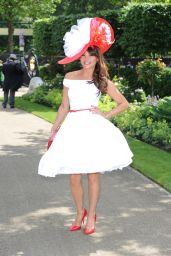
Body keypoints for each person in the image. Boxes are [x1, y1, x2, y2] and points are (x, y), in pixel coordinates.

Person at [38, 17, 133, 235]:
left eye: (90, 57)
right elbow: (64, 106)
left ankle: (92, 215)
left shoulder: (102, 80)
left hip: (93, 128)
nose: (85, 60)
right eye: (82, 56)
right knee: (73, 174)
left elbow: (124, 103)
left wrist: (106, 114)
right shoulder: (70, 77)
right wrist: (54, 128)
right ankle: (79, 211)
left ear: (97, 58)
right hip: (72, 127)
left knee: (92, 173)